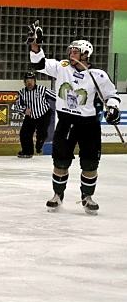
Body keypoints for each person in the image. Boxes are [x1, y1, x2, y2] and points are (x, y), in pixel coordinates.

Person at [27, 21, 121, 214]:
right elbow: (39, 64)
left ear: (86, 54)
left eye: (76, 52)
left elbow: (112, 95)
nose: (71, 55)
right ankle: (57, 195)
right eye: (71, 51)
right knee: (60, 160)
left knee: (89, 162)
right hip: (66, 122)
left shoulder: (98, 75)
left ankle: (87, 196)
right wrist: (35, 46)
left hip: (89, 125)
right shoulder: (62, 67)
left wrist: (113, 108)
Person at [12, 71, 55, 158]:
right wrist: (24, 110)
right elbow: (16, 106)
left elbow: (56, 96)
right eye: (27, 80)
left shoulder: (42, 89)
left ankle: (39, 145)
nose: (29, 82)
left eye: (31, 80)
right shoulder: (22, 93)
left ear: (35, 81)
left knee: (42, 133)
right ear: (24, 82)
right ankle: (27, 152)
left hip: (44, 114)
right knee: (24, 134)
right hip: (30, 116)